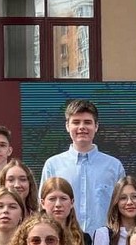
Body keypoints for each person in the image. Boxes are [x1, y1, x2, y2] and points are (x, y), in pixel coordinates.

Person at [39, 99, 125, 232]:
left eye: (87, 122)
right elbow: (43, 208)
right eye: (76, 122)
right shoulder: (53, 165)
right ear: (67, 126)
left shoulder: (114, 166)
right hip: (63, 239)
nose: (82, 127)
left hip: (105, 240)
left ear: (96, 126)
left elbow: (123, 209)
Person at [41, 176, 91, 245]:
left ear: (72, 203)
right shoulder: (35, 239)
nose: (58, 204)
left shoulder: (84, 240)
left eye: (63, 198)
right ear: (43, 203)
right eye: (52, 199)